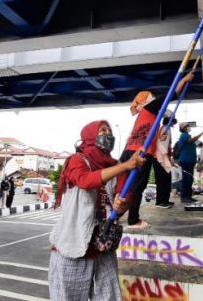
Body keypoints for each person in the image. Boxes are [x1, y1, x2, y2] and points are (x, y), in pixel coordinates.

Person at [49, 120, 144, 300]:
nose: (107, 134)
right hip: (72, 245)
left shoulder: (115, 165)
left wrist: (122, 204)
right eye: (102, 130)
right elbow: (84, 180)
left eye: (108, 131)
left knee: (109, 296)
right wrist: (124, 165)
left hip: (103, 245)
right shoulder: (77, 160)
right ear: (89, 136)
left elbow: (125, 195)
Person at [119, 72, 194, 229]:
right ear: (147, 99)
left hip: (129, 151)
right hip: (140, 153)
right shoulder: (150, 108)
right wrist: (185, 79)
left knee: (123, 186)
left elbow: (150, 134)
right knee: (137, 188)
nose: (154, 98)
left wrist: (160, 134)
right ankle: (133, 220)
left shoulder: (145, 116)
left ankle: (116, 215)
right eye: (151, 96)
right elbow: (170, 95)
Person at [176, 123, 203, 203]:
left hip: (189, 161)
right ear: (184, 128)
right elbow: (191, 140)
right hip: (186, 160)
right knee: (186, 178)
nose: (189, 127)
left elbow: (194, 143)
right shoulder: (184, 135)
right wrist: (202, 133)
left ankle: (188, 196)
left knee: (190, 179)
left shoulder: (187, 135)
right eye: (187, 126)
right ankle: (184, 197)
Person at [154, 115, 178, 208]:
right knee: (162, 180)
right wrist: (168, 159)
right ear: (170, 121)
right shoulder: (165, 129)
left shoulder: (165, 129)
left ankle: (165, 200)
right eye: (173, 121)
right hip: (160, 158)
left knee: (166, 179)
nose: (174, 123)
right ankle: (160, 201)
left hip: (163, 157)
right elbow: (163, 146)